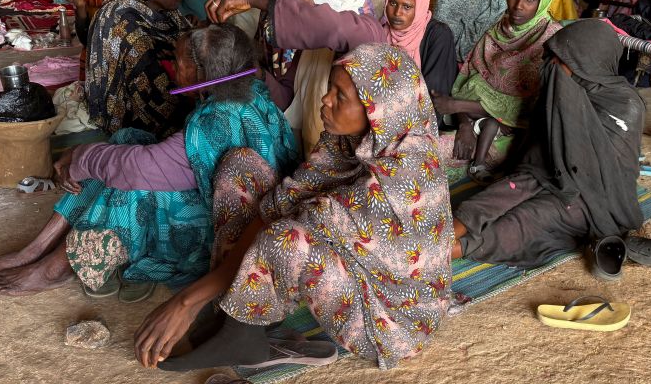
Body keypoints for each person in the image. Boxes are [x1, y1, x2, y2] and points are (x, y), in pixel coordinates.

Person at [130, 43, 453, 371]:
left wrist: (186, 300)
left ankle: (242, 335)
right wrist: (195, 299)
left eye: (340, 97)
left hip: (389, 318)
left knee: (288, 240)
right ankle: (236, 316)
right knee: (239, 166)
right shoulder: (346, 140)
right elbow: (287, 200)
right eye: (330, 89)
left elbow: (295, 223)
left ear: (378, 109)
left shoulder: (408, 173)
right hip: (354, 265)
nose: (325, 100)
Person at [0, 24, 299, 294]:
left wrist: (80, 155)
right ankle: (37, 247)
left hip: (227, 233)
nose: (171, 66)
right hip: (244, 206)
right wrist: (89, 157)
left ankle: (55, 267)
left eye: (179, 61)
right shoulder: (252, 94)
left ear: (202, 72)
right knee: (125, 142)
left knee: (128, 188)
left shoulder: (213, 123)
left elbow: (139, 169)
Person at [450, 19, 645, 267]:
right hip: (546, 175)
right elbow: (537, 161)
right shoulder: (559, 93)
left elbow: (595, 174)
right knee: (501, 194)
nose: (551, 65)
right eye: (551, 57)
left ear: (587, 63)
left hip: (593, 199)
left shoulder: (625, 106)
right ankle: (443, 236)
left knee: (526, 219)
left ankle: (449, 250)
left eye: (561, 60)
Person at [209, 0, 387, 155]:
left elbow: (334, 27)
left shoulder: (368, 33)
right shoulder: (312, 48)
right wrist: (258, 73)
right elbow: (289, 98)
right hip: (313, 155)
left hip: (350, 160)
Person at [432, 0, 561, 179]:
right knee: (422, 152)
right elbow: (468, 79)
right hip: (473, 118)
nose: (518, 6)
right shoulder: (498, 28)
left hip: (515, 133)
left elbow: (531, 108)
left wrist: (456, 106)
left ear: (542, 2)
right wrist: (464, 124)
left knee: (435, 156)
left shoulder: (550, 38)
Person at [86, 0, 192, 138]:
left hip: (175, 91)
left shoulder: (169, 14)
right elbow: (143, 75)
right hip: (132, 109)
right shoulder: (119, 17)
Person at [382, 0, 456, 121]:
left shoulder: (438, 35)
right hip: (382, 113)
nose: (397, 13)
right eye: (393, 3)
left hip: (423, 119)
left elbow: (433, 94)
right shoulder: (381, 32)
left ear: (420, 7)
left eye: (407, 7)